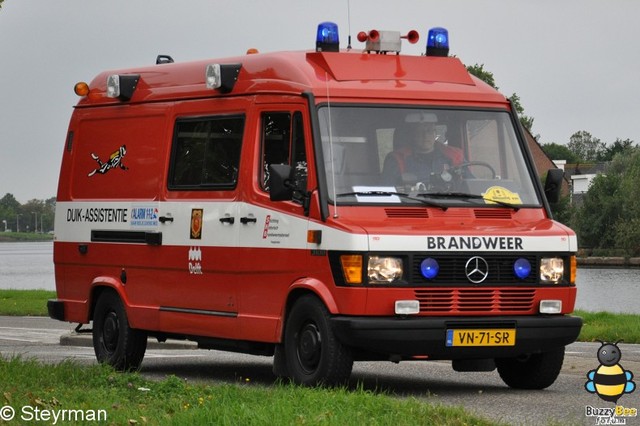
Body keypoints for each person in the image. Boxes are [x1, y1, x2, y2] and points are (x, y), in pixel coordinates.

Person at [382, 122, 460, 189]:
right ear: (413, 134)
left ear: (435, 133)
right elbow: (386, 195)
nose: (425, 135)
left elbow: (469, 185)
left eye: (429, 131)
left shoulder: (454, 155)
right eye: (420, 131)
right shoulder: (397, 160)